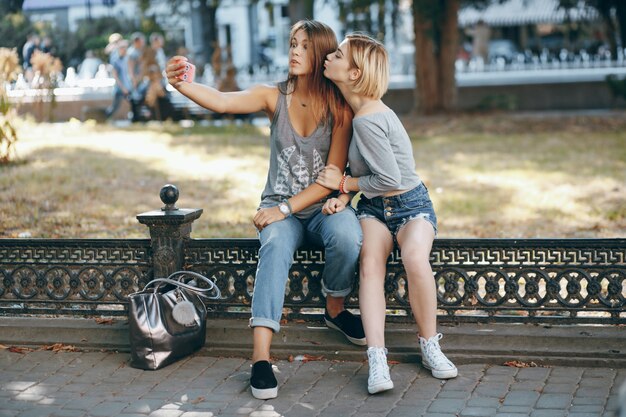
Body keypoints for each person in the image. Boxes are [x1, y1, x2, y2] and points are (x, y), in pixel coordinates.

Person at [165, 20, 364, 400]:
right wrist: (180, 83)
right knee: (273, 247)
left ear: (321, 53)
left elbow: (330, 178)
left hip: (321, 207)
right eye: (292, 44)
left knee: (348, 234)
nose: (294, 51)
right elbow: (223, 101)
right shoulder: (274, 97)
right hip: (278, 209)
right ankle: (260, 359)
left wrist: (288, 209)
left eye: (304, 46)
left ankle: (335, 309)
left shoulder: (340, 108)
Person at [317, 33, 458, 395]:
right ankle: (376, 358)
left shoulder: (368, 119)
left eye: (337, 55)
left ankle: (430, 345)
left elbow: (389, 178)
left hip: (411, 205)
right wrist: (344, 197)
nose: (329, 57)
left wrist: (346, 186)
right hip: (376, 208)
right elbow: (370, 180)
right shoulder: (354, 113)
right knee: (370, 266)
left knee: (414, 257)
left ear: (355, 73)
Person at [105, 39, 132, 120]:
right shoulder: (115, 60)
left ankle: (133, 118)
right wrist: (123, 88)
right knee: (114, 107)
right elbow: (115, 76)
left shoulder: (126, 58)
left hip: (127, 86)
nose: (125, 50)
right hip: (119, 88)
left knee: (133, 103)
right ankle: (105, 118)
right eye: (123, 48)